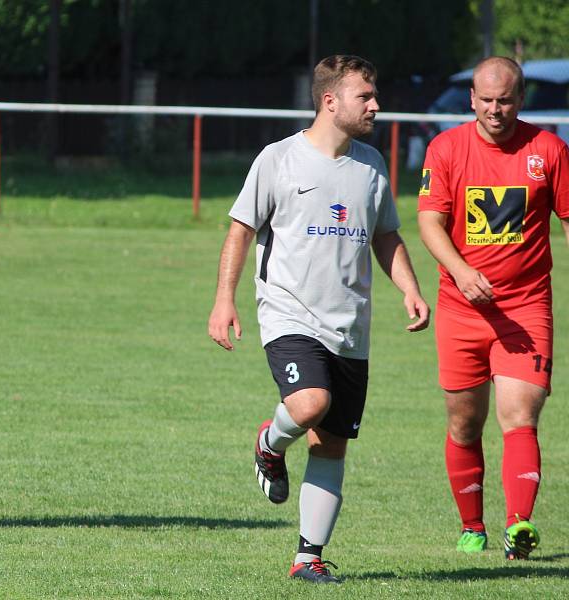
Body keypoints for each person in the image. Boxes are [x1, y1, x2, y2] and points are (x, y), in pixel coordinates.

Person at [208, 55, 430, 584]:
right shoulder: (278, 159)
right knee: (310, 403)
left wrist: (411, 288)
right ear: (330, 101)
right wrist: (224, 299)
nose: (376, 105)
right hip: (289, 314)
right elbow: (241, 229)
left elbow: (386, 236)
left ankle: (308, 558)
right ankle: (269, 444)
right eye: (365, 97)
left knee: (330, 445)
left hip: (351, 326)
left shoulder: (373, 164)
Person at [418, 56, 569, 560]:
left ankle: (519, 526)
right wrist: (462, 272)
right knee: (464, 422)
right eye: (486, 100)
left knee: (520, 414)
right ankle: (472, 525)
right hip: (461, 311)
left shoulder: (548, 149)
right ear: (472, 100)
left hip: (526, 308)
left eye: (505, 100)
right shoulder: (445, 149)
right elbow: (430, 223)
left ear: (521, 100)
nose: (495, 110)